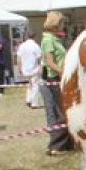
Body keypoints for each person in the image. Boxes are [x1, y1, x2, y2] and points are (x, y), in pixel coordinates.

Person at [40, 12, 74, 154]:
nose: (63, 26)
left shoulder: (55, 39)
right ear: (55, 24)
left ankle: (65, 143)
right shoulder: (48, 40)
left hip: (60, 78)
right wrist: (63, 72)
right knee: (61, 112)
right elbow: (49, 62)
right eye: (61, 23)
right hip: (54, 79)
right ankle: (55, 146)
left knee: (63, 111)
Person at [16, 30, 43, 107]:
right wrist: (40, 67)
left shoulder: (22, 46)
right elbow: (39, 58)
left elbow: (18, 58)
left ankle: (28, 100)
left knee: (29, 84)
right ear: (34, 37)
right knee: (35, 86)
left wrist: (19, 68)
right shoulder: (36, 46)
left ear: (27, 36)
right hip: (34, 69)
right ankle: (34, 103)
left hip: (25, 69)